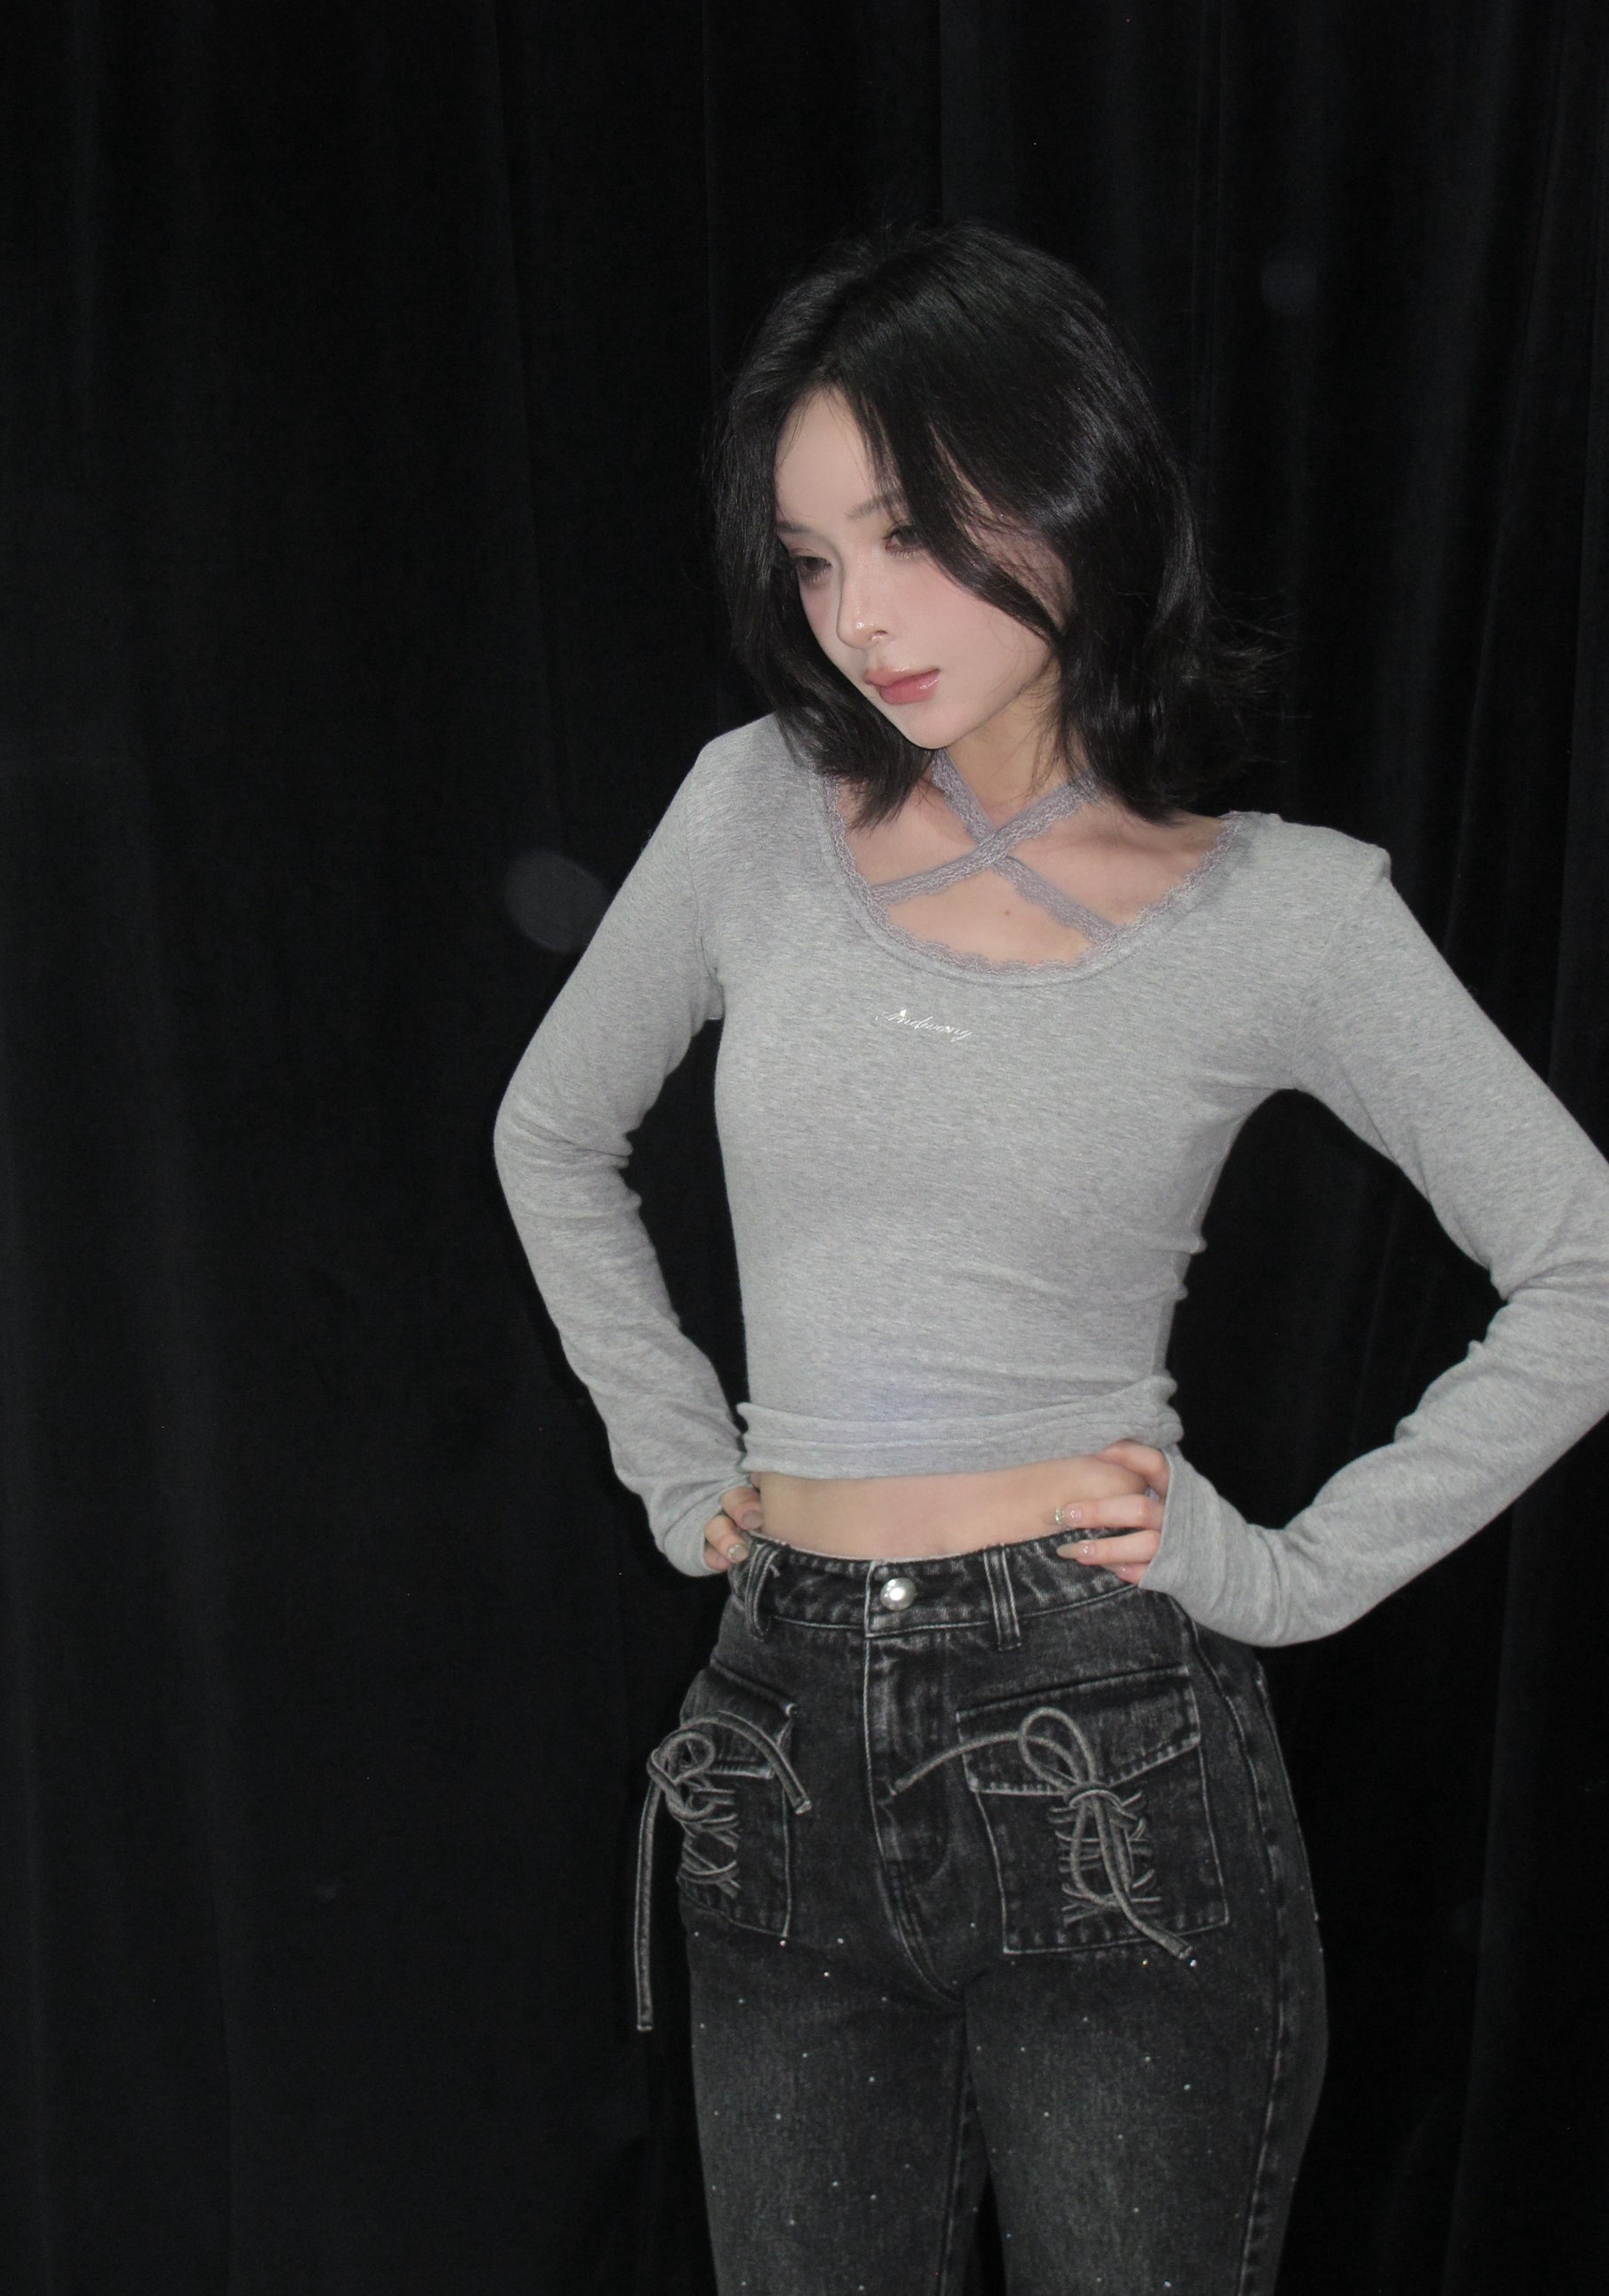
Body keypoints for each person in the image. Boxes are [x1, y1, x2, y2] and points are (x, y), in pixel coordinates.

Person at [492, 219, 1609, 2294]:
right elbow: (550, 1129)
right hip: (776, 1735)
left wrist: (1291, 1570)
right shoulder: (750, 813)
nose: (857, 618)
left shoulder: (1282, 909)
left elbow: (1585, 1264)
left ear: (1071, 483)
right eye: (812, 560)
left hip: (1108, 1752)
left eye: (910, 534)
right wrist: (674, 1453)